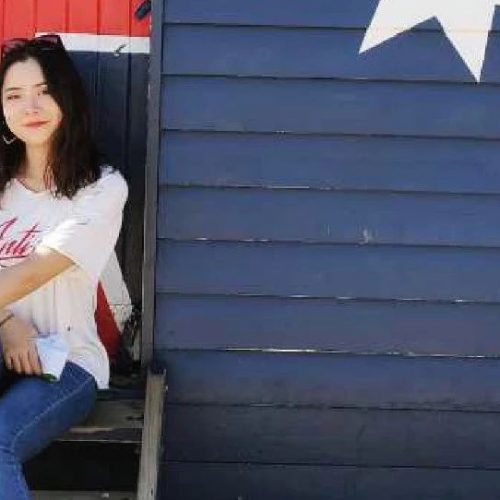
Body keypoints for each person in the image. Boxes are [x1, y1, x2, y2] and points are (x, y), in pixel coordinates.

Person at [0, 34, 128, 498]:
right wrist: (6, 323)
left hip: (65, 363)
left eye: (44, 91)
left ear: (67, 98)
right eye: (14, 96)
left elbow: (33, 272)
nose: (30, 107)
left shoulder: (100, 189)